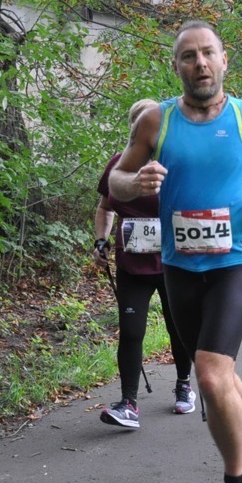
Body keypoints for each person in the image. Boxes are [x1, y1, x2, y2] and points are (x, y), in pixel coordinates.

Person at [109, 20, 242, 483]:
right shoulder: (156, 121)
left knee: (211, 376)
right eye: (189, 56)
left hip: (237, 258)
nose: (200, 63)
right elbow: (116, 181)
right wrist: (136, 181)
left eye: (208, 53)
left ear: (223, 60)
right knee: (220, 376)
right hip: (179, 265)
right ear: (177, 66)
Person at [94, 99, 196, 429]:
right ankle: (128, 404)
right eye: (138, 123)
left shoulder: (175, 162)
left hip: (173, 264)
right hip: (132, 265)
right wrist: (100, 240)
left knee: (178, 327)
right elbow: (105, 207)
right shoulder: (118, 165)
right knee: (131, 331)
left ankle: (184, 385)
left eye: (151, 122)